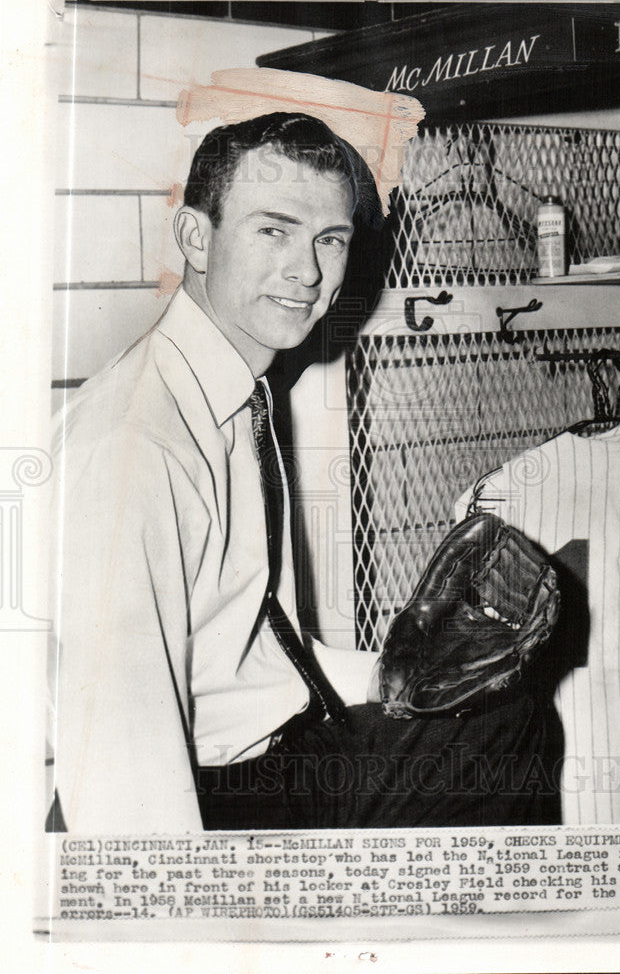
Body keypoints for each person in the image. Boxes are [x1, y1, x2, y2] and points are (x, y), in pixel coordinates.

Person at [52, 112, 561, 832]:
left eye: (330, 239)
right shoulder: (139, 444)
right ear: (196, 237)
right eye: (274, 230)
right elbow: (118, 755)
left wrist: (417, 672)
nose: (309, 271)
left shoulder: (240, 389)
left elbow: (258, 644)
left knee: (502, 718)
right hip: (199, 799)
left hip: (279, 754)